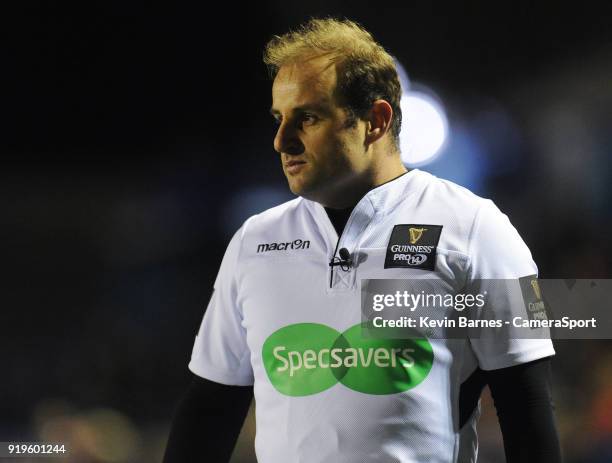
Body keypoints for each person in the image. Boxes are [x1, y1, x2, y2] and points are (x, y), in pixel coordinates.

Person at [163, 18, 562, 463]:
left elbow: (526, 409)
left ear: (375, 120)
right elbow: (210, 410)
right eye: (279, 119)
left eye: (307, 117)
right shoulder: (253, 241)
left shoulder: (479, 228)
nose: (281, 141)